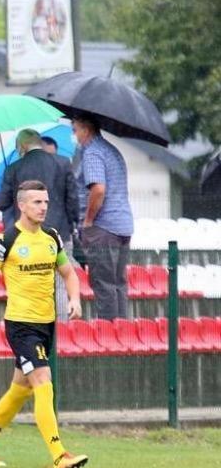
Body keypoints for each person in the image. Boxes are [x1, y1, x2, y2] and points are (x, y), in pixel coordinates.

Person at [0, 180, 88, 468]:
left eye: (45, 202)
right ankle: (59, 455)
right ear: (21, 205)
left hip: (46, 325)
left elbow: (69, 273)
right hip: (21, 326)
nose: (43, 208)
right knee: (43, 380)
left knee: (20, 388)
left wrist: (75, 299)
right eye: (36, 202)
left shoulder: (52, 238)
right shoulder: (4, 241)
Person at [0, 129, 80, 321]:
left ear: (22, 146)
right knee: (59, 284)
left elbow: (1, 203)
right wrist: (71, 224)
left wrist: (10, 182)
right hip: (59, 234)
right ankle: (59, 330)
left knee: (30, 284)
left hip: (26, 238)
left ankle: (35, 326)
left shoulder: (14, 168)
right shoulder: (63, 163)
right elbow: (73, 202)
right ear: (39, 143)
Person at [73, 114, 133, 320]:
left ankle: (108, 332)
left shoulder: (92, 153)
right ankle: (122, 332)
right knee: (118, 284)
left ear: (86, 130)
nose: (75, 136)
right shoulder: (112, 150)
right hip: (122, 225)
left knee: (103, 284)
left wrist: (88, 221)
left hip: (103, 227)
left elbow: (98, 190)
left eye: (75, 130)